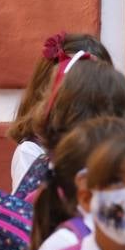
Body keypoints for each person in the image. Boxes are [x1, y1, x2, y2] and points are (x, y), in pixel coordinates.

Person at [7, 32, 113, 191]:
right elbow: (33, 212)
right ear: (47, 91)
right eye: (75, 90)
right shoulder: (33, 153)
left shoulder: (112, 146)